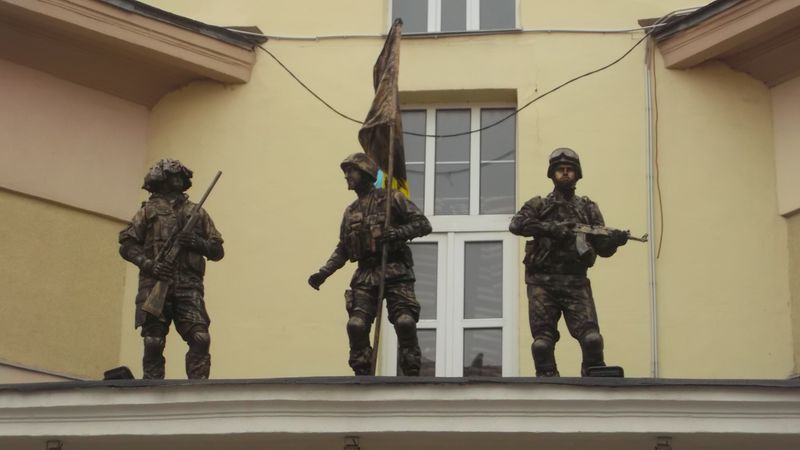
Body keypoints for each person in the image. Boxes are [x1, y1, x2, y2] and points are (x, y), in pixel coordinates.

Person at [308, 153, 432, 376]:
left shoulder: (391, 199)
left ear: (365, 173)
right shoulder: (351, 211)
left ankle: (411, 370)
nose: (347, 176)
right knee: (355, 325)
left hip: (395, 271)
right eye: (345, 172)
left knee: (404, 322)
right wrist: (324, 273)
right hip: (366, 274)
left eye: (351, 171)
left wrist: (396, 233)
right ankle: (362, 373)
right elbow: (343, 248)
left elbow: (422, 224)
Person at [509, 148, 628, 377]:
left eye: (569, 170)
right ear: (552, 174)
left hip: (575, 282)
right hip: (542, 283)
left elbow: (602, 249)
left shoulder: (587, 209)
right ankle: (547, 380)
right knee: (542, 345)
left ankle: (595, 377)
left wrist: (615, 241)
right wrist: (551, 229)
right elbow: (516, 225)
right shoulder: (539, 205)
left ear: (577, 174)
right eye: (560, 170)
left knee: (593, 340)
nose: (565, 174)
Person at [119, 159, 224, 379]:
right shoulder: (147, 211)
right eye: (172, 175)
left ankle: (198, 391)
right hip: (154, 283)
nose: (178, 179)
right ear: (161, 180)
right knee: (153, 341)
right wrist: (150, 266)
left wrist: (195, 242)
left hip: (189, 286)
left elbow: (217, 250)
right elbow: (127, 245)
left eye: (180, 176)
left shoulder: (196, 212)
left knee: (200, 338)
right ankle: (151, 390)